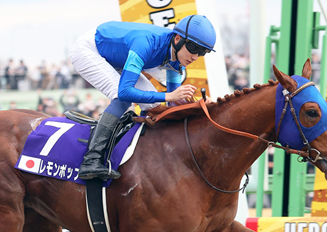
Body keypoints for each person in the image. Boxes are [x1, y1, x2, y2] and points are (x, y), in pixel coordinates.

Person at [69, 15, 216, 180]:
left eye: (202, 52)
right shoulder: (146, 43)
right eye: (194, 49)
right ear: (177, 39)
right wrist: (168, 95)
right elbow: (125, 92)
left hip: (120, 56)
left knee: (152, 106)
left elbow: (172, 105)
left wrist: (199, 106)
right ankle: (91, 161)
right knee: (122, 98)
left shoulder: (178, 59)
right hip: (89, 50)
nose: (196, 57)